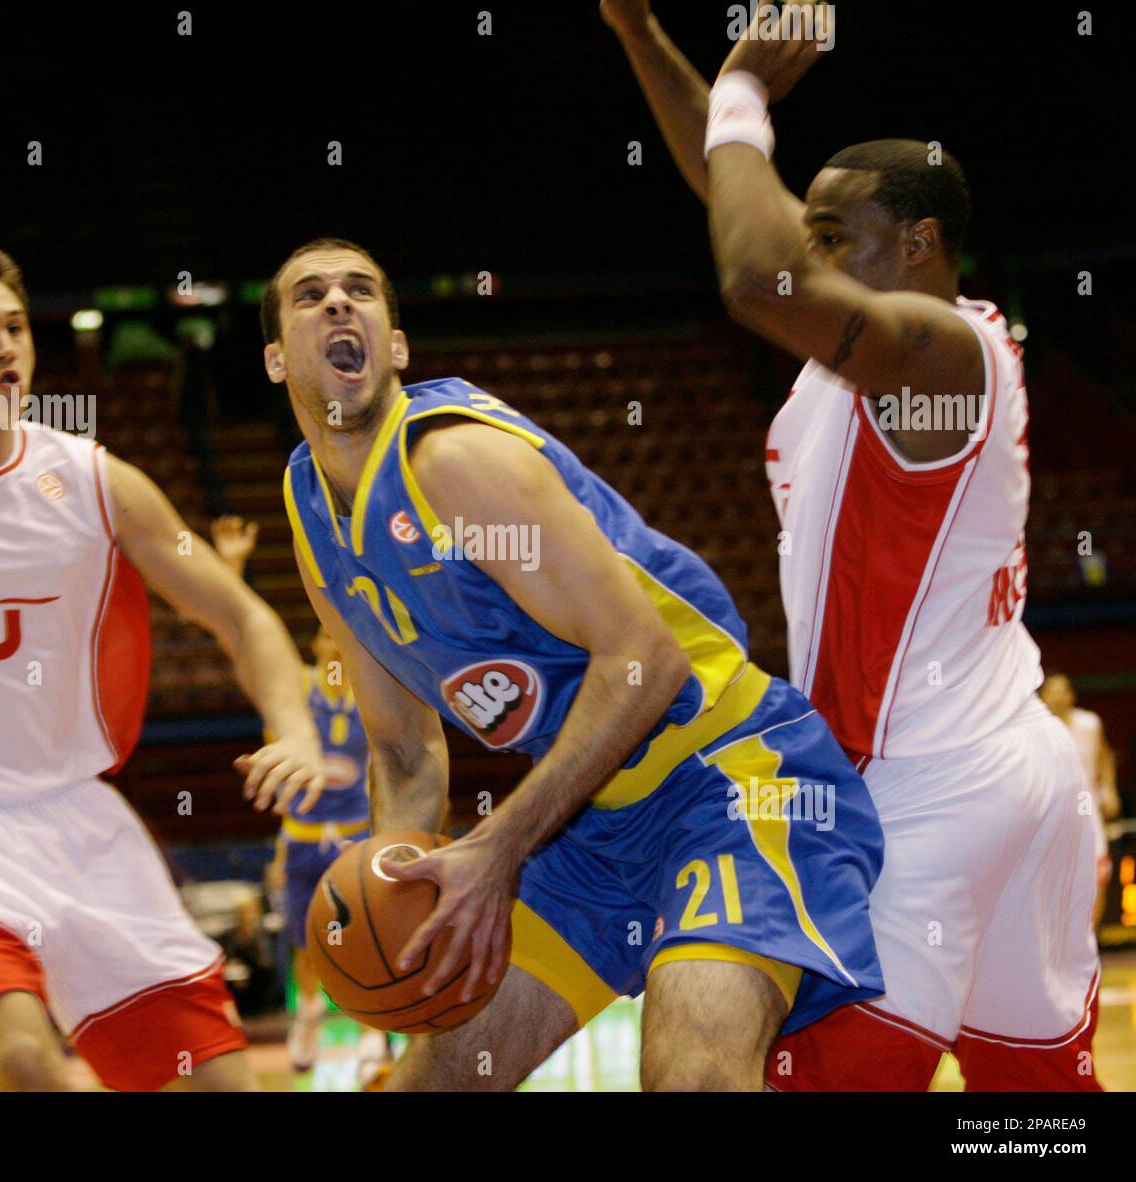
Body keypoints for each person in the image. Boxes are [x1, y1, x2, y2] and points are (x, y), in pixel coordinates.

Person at [603, 0, 1102, 1089]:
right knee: (1036, 1100)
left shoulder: (935, 354)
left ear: (920, 243)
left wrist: (745, 99)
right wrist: (641, 31)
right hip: (1013, 770)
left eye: (836, 237)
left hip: (924, 789)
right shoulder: (899, 351)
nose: (809, 250)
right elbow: (731, 194)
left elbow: (753, 274)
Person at [264, 235, 885, 1091]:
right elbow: (405, 750)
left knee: (692, 1077)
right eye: (311, 296)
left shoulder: (451, 462)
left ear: (396, 346)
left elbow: (646, 661)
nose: (340, 304)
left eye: (361, 291)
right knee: (433, 1083)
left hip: (726, 777)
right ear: (274, 358)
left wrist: (497, 846)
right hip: (587, 829)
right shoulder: (311, 519)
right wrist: (399, 893)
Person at [0, 242, 326, 1091]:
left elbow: (242, 616)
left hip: (79, 822)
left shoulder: (96, 484)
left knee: (228, 1085)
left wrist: (294, 730)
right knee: (28, 1060)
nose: (5, 350)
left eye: (16, 330)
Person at [211, 517, 391, 1085]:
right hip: (302, 837)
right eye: (322, 641)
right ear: (313, 648)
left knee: (364, 934)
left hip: (356, 835)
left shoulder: (375, 694)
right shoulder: (299, 690)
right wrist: (233, 566)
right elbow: (239, 638)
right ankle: (309, 1011)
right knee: (303, 941)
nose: (330, 650)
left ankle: (371, 1030)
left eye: (340, 642)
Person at [1041, 672, 1121, 926]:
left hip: (1089, 815)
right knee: (1054, 884)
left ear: (1072, 695)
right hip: (1049, 817)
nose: (1059, 696)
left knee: (1098, 877)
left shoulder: (1090, 724)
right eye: (1052, 690)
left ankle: (1090, 941)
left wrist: (1109, 788)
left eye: (1064, 690)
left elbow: (1104, 756)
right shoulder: (1035, 731)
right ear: (1042, 697)